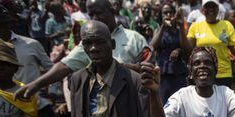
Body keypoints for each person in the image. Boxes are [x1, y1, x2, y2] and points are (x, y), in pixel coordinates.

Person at [14, 0, 147, 100]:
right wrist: (36, 85)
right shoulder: (88, 43)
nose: (95, 19)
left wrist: (122, 68)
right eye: (91, 15)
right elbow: (64, 65)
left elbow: (148, 68)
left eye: (99, 13)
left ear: (112, 11)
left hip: (132, 102)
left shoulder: (134, 38)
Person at [187, 0, 235, 87]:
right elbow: (188, 50)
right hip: (203, 74)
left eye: (213, 7)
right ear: (202, 10)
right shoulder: (195, 26)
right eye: (207, 7)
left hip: (223, 74)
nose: (211, 9)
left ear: (218, 9)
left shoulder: (227, 25)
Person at [150, 4, 188, 104]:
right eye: (165, 13)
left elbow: (187, 50)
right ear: (161, 16)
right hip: (163, 75)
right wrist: (163, 26)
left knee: (180, 104)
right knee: (164, 104)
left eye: (170, 12)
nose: (168, 15)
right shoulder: (158, 30)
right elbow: (152, 47)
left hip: (178, 73)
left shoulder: (179, 31)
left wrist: (178, 50)